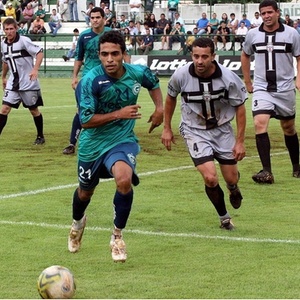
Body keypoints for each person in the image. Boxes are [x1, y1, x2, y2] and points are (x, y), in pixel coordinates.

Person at [67, 30, 163, 262]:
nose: (109, 59)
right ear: (98, 55)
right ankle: (78, 223)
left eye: (114, 54)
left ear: (123, 54)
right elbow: (86, 121)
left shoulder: (137, 73)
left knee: (123, 179)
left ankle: (117, 237)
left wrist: (159, 109)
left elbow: (154, 83)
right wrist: (119, 113)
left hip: (122, 141)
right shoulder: (90, 81)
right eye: (104, 54)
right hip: (92, 145)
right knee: (85, 192)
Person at [161, 37, 247, 230]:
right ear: (191, 55)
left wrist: (240, 141)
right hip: (194, 130)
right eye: (196, 56)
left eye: (204, 57)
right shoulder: (181, 75)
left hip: (223, 130)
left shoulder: (228, 77)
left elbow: (240, 108)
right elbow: (170, 98)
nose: (199, 61)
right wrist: (167, 128)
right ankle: (224, 218)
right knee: (210, 177)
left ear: (213, 57)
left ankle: (233, 188)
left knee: (231, 178)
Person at [241, 0, 300, 183]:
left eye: (269, 12)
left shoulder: (291, 34)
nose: (266, 16)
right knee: (260, 123)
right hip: (262, 87)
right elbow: (245, 54)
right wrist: (248, 80)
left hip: (285, 88)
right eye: (263, 13)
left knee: (288, 128)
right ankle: (267, 171)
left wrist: (299, 78)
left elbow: (299, 57)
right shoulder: (253, 34)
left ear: (277, 12)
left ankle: (297, 166)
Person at [62, 7, 111, 155]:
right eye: (92, 17)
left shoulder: (111, 34)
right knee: (82, 110)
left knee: (109, 108)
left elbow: (124, 54)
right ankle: (72, 143)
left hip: (109, 78)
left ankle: (109, 141)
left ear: (104, 18)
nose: (95, 20)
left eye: (98, 17)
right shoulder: (84, 36)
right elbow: (79, 58)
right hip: (88, 80)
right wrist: (74, 77)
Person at [0, 17, 45, 144]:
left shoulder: (24, 41)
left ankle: (40, 136)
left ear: (16, 28)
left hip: (28, 82)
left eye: (11, 29)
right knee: (4, 109)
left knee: (33, 110)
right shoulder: (3, 44)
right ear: (3, 30)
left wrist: (35, 69)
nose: (9, 32)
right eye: (6, 29)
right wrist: (3, 77)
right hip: (13, 83)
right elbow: (5, 61)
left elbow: (40, 52)